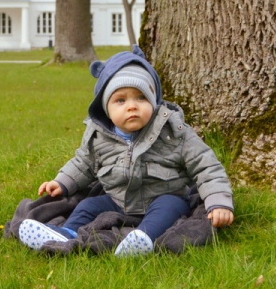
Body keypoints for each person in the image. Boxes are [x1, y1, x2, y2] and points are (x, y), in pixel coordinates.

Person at [18, 47, 234, 256]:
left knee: (169, 207)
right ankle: (66, 233)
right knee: (87, 205)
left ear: (153, 101)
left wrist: (218, 202)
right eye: (120, 100)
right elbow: (83, 163)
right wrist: (62, 182)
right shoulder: (99, 135)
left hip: (162, 195)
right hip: (118, 200)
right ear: (106, 110)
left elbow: (206, 165)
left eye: (141, 98)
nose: (132, 106)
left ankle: (143, 238)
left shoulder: (173, 130)